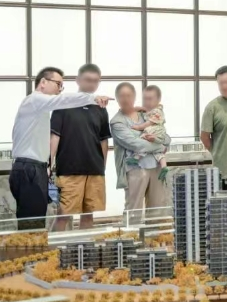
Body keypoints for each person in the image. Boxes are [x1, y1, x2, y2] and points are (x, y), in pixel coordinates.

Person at [10, 67, 110, 230]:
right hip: (29, 168)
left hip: (35, 167)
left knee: (35, 222)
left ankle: (38, 247)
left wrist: (48, 166)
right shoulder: (34, 100)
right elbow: (62, 102)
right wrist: (93, 98)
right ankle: (34, 247)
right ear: (43, 82)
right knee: (32, 225)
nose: (59, 90)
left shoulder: (40, 108)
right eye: (58, 84)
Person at [50, 64, 111, 231]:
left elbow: (103, 140)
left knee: (89, 214)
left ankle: (84, 247)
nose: (92, 84)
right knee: (63, 215)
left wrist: (102, 167)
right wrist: (49, 164)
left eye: (96, 81)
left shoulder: (100, 108)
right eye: (88, 80)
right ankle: (55, 247)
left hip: (95, 170)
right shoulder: (63, 104)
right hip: (69, 170)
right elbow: (54, 136)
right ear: (78, 80)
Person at [110, 83, 171, 219]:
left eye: (129, 95)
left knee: (158, 210)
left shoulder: (147, 115)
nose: (125, 99)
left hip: (156, 167)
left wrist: (160, 141)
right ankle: (132, 233)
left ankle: (155, 233)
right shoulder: (117, 122)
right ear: (117, 98)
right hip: (135, 170)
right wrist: (160, 146)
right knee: (134, 211)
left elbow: (166, 138)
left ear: (134, 96)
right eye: (122, 96)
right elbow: (137, 145)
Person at [127, 85, 169, 183]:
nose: (147, 102)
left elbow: (149, 123)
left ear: (158, 100)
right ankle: (164, 166)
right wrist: (137, 109)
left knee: (142, 140)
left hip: (155, 132)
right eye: (145, 99)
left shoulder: (157, 111)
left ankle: (137, 157)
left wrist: (138, 127)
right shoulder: (150, 110)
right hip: (158, 136)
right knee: (158, 152)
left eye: (150, 99)